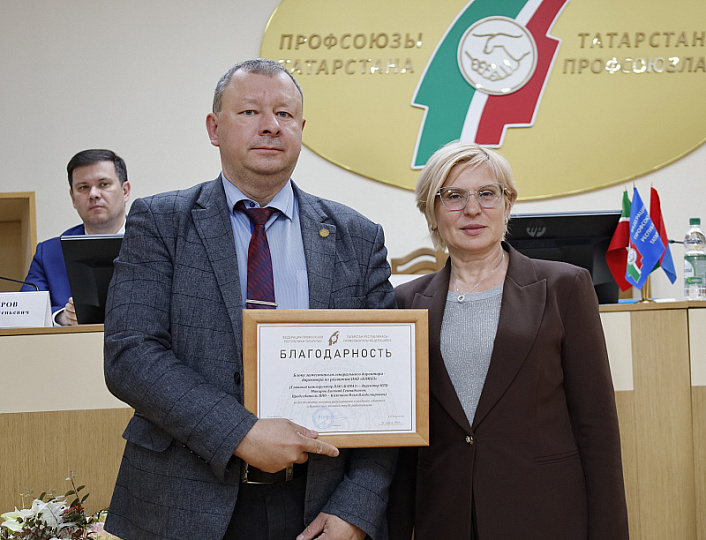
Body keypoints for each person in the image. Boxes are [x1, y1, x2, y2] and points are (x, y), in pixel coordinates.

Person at [103, 58, 397, 540]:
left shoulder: (358, 237)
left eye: (284, 114)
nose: (270, 126)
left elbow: (389, 387)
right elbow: (130, 355)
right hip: (182, 499)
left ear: (301, 130)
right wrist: (239, 432)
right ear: (214, 128)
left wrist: (356, 507)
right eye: (249, 112)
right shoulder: (160, 222)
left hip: (320, 504)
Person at [387, 141, 629, 539]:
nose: (472, 209)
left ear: (507, 204)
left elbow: (597, 428)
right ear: (432, 211)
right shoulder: (404, 302)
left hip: (544, 516)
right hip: (445, 518)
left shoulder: (565, 286)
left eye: (487, 193)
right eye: (454, 196)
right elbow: (402, 445)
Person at [21, 149, 130, 326]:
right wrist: (62, 317)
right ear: (73, 197)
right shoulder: (48, 253)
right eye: (83, 187)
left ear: (125, 191)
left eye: (103, 184)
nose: (94, 194)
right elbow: (25, 313)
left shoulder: (156, 242)